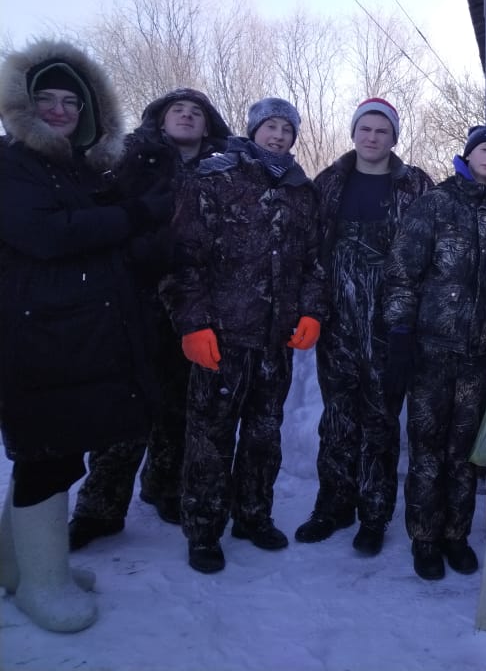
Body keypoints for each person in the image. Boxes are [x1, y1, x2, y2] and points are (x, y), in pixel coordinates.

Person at [0, 40, 168, 632]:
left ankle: (17, 567)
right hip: (38, 336)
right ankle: (43, 584)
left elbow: (102, 247)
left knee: (51, 452)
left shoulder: (76, 168)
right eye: (45, 98)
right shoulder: (10, 161)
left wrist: (150, 244)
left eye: (72, 100)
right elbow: (42, 235)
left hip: (80, 333)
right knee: (48, 456)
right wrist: (133, 218)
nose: (59, 109)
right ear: (23, 104)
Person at [161, 97, 326, 574]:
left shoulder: (301, 191)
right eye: (270, 127)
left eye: (286, 129)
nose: (278, 135)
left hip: (275, 340)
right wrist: (193, 324)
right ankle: (203, 530)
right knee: (210, 438)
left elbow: (314, 262)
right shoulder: (214, 179)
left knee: (263, 435)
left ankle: (253, 515)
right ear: (253, 130)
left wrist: (312, 312)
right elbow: (182, 262)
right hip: (221, 337)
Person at [69, 88, 232, 548]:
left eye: (195, 111)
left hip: (199, 303)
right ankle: (100, 506)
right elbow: (98, 213)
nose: (185, 116)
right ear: (160, 121)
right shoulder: (129, 158)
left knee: (180, 404)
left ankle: (166, 488)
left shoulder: (224, 170)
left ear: (207, 124)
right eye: (176, 110)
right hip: (134, 298)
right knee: (125, 403)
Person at [295, 98, 433, 555]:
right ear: (353, 133)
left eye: (382, 131)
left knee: (380, 420)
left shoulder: (415, 186)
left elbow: (427, 257)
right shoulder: (329, 183)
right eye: (365, 129)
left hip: (388, 323)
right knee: (336, 419)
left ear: (395, 138)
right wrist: (311, 311)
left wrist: (409, 323)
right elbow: (309, 252)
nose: (372, 137)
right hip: (336, 322)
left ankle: (374, 514)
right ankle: (332, 506)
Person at [384, 125, 486, 581]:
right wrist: (401, 329)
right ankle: (424, 538)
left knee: (465, 453)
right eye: (485, 149)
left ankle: (455, 536)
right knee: (427, 451)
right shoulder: (436, 204)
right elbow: (403, 269)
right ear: (467, 155)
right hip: (431, 351)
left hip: (479, 355)